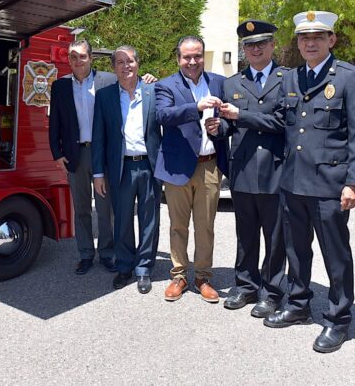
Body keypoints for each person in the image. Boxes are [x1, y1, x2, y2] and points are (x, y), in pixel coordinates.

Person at [264, 11, 355, 354]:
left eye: (317, 37)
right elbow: (281, 121)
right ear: (298, 42)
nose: (310, 43)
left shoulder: (350, 77)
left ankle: (339, 318)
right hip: (293, 182)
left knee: (335, 255)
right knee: (296, 251)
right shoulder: (292, 78)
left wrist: (354, 182)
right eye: (303, 38)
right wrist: (238, 116)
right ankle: (298, 304)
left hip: (329, 184)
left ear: (331, 40)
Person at [218, 20, 287, 317]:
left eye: (261, 43)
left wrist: (242, 115)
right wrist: (217, 127)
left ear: (272, 45)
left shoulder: (289, 79)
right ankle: (245, 286)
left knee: (275, 237)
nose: (255, 49)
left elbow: (285, 123)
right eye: (249, 45)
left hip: (275, 169)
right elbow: (226, 125)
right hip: (243, 169)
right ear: (243, 50)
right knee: (245, 234)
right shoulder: (231, 83)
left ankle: (271, 292)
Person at [154, 36, 229, 303]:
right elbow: (163, 115)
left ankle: (203, 277)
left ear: (203, 56)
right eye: (187, 57)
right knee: (178, 226)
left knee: (205, 226)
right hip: (177, 167)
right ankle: (179, 275)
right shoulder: (166, 85)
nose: (192, 61)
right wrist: (195, 108)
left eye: (197, 56)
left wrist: (222, 128)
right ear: (178, 58)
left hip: (209, 165)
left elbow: (230, 118)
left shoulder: (219, 82)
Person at [92, 46, 162, 294]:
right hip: (120, 167)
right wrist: (98, 173)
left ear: (138, 63)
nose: (126, 66)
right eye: (120, 62)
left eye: (130, 61)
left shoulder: (155, 90)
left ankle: (144, 268)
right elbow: (98, 137)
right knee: (121, 219)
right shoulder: (105, 96)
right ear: (114, 68)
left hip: (149, 166)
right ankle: (124, 265)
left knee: (149, 219)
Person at [49, 39, 117, 275]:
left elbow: (133, 89)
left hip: (103, 154)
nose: (77, 61)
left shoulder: (109, 80)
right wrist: (57, 154)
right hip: (75, 154)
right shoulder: (60, 87)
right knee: (81, 208)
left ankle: (108, 253)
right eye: (73, 57)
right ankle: (86, 253)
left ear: (91, 58)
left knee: (105, 207)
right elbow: (54, 123)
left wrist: (148, 78)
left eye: (82, 56)